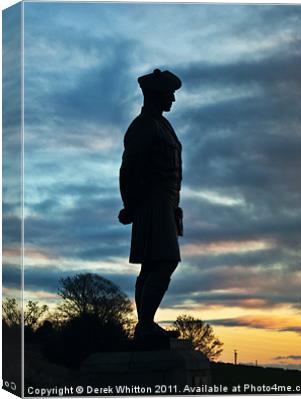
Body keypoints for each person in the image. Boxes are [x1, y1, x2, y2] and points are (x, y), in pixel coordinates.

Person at [118, 68, 183, 343]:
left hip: (166, 204)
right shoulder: (144, 125)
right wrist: (130, 205)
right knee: (164, 261)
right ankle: (145, 324)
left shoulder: (163, 125)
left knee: (153, 264)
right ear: (156, 96)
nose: (173, 100)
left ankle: (145, 323)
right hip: (152, 202)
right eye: (169, 94)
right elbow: (129, 169)